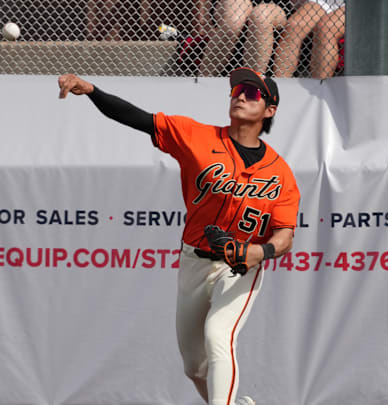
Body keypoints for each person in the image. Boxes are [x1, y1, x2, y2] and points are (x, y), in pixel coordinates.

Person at [58, 67, 300, 405]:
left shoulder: (281, 173)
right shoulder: (195, 136)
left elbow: (285, 235)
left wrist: (258, 253)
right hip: (193, 260)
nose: (241, 95)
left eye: (254, 93)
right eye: (237, 90)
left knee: (218, 337)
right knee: (194, 365)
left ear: (270, 110)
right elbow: (137, 118)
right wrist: (92, 90)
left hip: (240, 267)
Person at [198, 0, 345, 77]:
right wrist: (202, 19)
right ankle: (202, 81)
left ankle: (254, 86)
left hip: (278, 4)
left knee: (261, 17)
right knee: (233, 23)